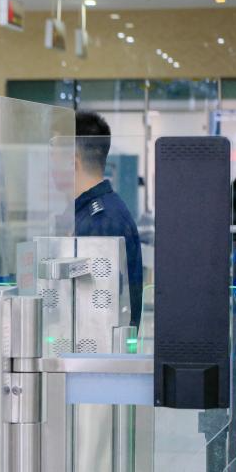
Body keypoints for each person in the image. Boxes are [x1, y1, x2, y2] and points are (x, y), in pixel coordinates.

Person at [74, 111, 143, 328]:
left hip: (96, 357)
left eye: (53, 155)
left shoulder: (101, 221)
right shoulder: (93, 212)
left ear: (72, 161)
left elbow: (98, 315)